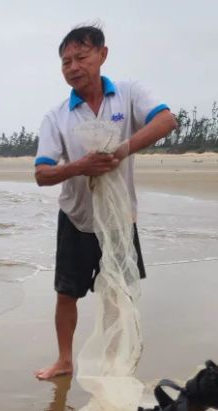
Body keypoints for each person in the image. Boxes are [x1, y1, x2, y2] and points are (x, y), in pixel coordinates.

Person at [33, 26, 178, 380]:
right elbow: (42, 173)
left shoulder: (128, 95)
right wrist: (82, 166)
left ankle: (117, 361)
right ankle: (64, 360)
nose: (72, 67)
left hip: (119, 218)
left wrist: (124, 148)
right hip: (77, 218)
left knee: (120, 292)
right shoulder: (57, 116)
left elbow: (166, 120)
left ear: (102, 55)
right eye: (65, 61)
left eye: (81, 57)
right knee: (66, 294)